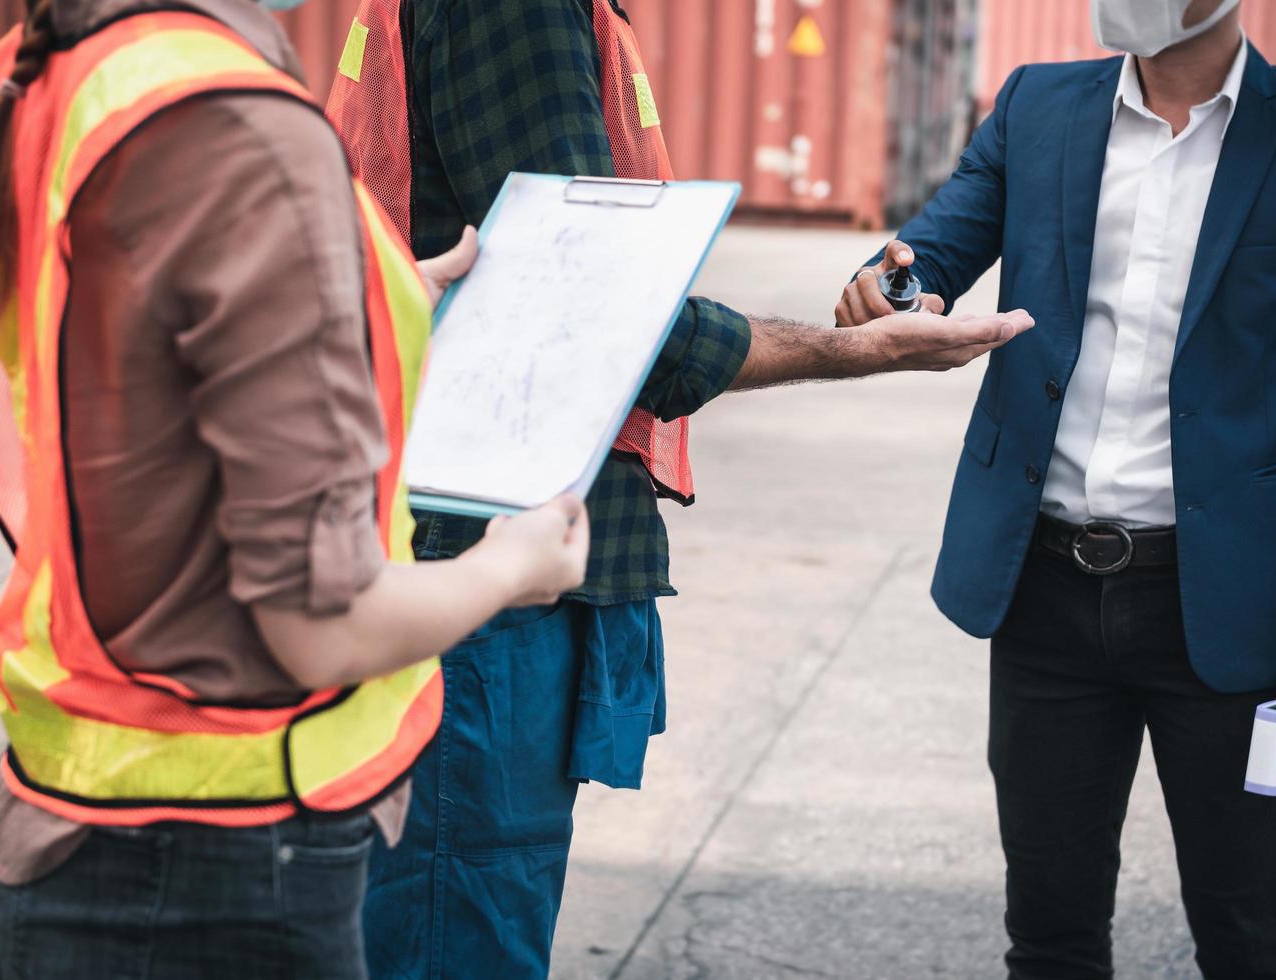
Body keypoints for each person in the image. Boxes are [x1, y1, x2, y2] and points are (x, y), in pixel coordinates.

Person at [322, 1, 1034, 975]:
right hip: (486, 577)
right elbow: (593, 303)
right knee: (456, 932)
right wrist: (847, 352)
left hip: (447, 553)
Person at [0, 1, 590, 976]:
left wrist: (372, 291)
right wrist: (507, 565)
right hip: (215, 864)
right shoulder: (243, 130)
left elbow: (139, 353)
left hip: (71, 799)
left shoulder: (87, 71)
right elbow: (321, 619)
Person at [836, 0, 1276, 976]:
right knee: (1049, 937)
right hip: (1044, 592)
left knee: (1250, 935)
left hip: (1229, 603)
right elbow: (922, 255)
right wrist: (888, 287)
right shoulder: (1037, 104)